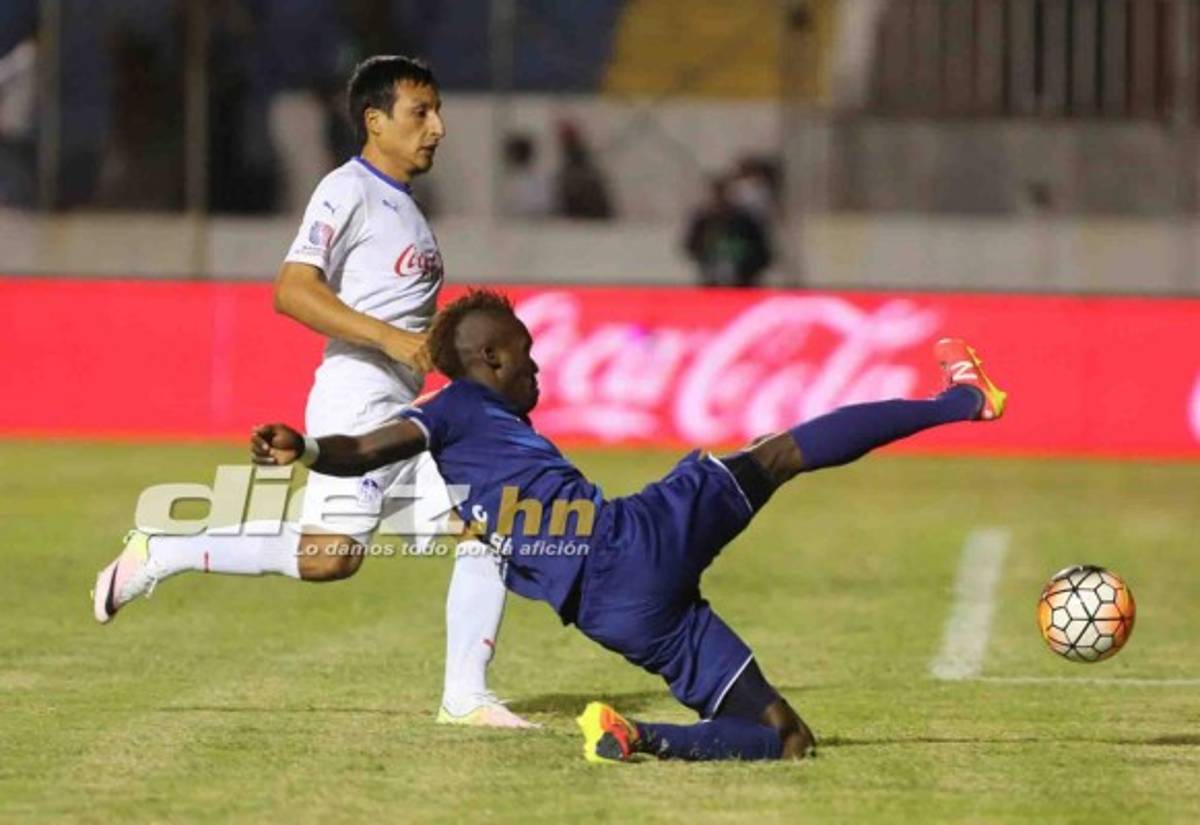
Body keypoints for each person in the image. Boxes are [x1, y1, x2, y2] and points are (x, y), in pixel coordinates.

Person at [247, 289, 1008, 762]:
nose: (538, 370)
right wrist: (311, 447)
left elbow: (383, 454)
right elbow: (368, 446)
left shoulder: (467, 432)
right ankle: (962, 401)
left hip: (618, 616)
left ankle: (641, 735)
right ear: (487, 359)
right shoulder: (452, 406)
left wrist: (315, 451)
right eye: (525, 356)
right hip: (630, 543)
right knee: (777, 455)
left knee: (784, 736)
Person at [92, 57, 534, 729]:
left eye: (438, 111)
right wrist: (392, 340)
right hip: (357, 397)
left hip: (404, 405)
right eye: (422, 113)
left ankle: (465, 696)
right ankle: (162, 550)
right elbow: (292, 289)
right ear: (375, 121)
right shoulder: (347, 189)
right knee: (330, 557)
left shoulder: (407, 208)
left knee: (490, 522)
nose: (438, 127)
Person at [684, 175, 772, 288]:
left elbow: (763, 252)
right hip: (711, 281)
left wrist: (748, 268)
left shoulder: (746, 222)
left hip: (743, 283)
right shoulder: (703, 220)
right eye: (717, 194)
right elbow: (691, 246)